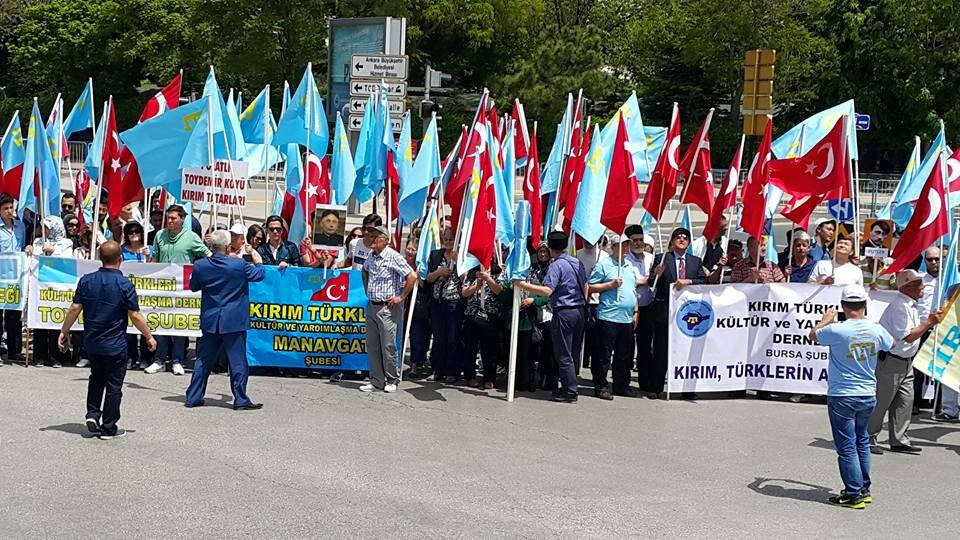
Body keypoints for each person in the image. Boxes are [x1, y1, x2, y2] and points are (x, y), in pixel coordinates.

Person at [57, 241, 157, 440]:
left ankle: (93, 414)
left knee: (96, 378)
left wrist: (64, 330)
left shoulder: (86, 280)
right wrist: (148, 336)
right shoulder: (125, 284)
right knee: (113, 385)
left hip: (92, 343)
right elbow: (135, 315)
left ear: (100, 258)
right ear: (120, 258)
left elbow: (75, 308)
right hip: (115, 344)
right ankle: (108, 427)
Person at [809, 284, 893, 509]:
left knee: (847, 446)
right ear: (865, 304)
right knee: (862, 441)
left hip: (843, 394)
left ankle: (854, 493)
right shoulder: (875, 329)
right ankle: (863, 488)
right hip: (867, 392)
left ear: (843, 306)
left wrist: (825, 319)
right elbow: (891, 344)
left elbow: (813, 335)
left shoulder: (838, 329)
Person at [184, 230, 265, 409]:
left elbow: (193, 286)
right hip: (233, 320)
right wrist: (258, 261)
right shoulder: (239, 265)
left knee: (203, 360)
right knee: (237, 361)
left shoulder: (200, 265)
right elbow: (259, 275)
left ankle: (193, 397)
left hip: (211, 318)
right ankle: (240, 399)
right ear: (228, 247)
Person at [868, 270, 942, 455]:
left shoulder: (910, 305)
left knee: (905, 402)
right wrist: (929, 323)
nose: (922, 286)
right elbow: (908, 336)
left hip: (905, 361)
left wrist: (929, 321)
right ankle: (867, 438)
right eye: (918, 283)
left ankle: (899, 439)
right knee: (881, 403)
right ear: (908, 287)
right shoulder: (900, 307)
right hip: (892, 362)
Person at [515, 231, 588, 403]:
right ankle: (571, 384)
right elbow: (586, 285)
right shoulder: (576, 262)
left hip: (564, 311)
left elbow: (548, 290)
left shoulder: (556, 265)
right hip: (579, 310)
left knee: (563, 352)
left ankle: (570, 390)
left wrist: (523, 284)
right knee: (573, 351)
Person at [146, 204, 210, 376]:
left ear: (182, 219)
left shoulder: (191, 237)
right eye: (168, 218)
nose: (170, 221)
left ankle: (177, 360)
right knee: (161, 322)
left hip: (183, 289)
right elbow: (155, 259)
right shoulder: (160, 235)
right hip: (162, 287)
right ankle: (159, 360)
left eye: (174, 218)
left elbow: (207, 255)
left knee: (179, 324)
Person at [648, 227, 707, 397]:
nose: (682, 239)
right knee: (661, 350)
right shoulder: (662, 258)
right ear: (672, 241)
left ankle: (686, 389)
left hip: (688, 314)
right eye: (678, 237)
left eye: (685, 238)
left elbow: (703, 281)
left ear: (688, 243)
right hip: (665, 312)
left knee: (686, 350)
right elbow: (651, 282)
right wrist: (657, 274)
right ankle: (656, 387)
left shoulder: (695, 261)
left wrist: (688, 281)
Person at [360, 225, 416, 392]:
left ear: (385, 240)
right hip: (372, 305)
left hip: (388, 307)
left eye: (375, 236)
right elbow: (365, 271)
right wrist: (368, 290)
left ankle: (392, 379)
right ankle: (376, 380)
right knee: (373, 345)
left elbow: (412, 276)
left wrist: (401, 297)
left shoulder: (393, 256)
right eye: (370, 235)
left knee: (388, 345)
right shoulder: (371, 255)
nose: (371, 239)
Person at [589, 234, 640, 399]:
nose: (625, 248)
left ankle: (621, 385)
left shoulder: (630, 266)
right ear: (613, 247)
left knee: (623, 355)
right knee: (603, 355)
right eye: (622, 245)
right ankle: (601, 386)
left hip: (626, 318)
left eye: (627, 245)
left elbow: (633, 290)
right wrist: (610, 285)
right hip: (608, 316)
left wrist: (636, 311)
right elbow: (590, 286)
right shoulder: (604, 265)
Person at [31, 216, 75, 368]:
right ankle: (39, 356)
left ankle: (56, 356)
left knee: (55, 322)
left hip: (57, 287)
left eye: (47, 227)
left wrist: (53, 251)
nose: (44, 230)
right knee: (40, 322)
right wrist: (32, 250)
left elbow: (67, 260)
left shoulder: (66, 243)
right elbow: (35, 259)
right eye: (43, 227)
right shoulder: (38, 241)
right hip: (41, 286)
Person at [426, 227, 464, 383]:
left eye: (451, 239)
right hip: (438, 302)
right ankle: (437, 370)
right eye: (445, 239)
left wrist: (459, 262)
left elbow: (465, 279)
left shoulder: (462, 256)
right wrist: (438, 272)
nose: (448, 242)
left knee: (453, 337)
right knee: (438, 338)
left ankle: (452, 371)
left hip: (454, 303)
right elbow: (428, 278)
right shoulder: (436, 255)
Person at [462, 265, 505, 390]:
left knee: (489, 350)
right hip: (472, 315)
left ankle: (489, 378)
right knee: (470, 348)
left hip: (490, 316)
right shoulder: (472, 273)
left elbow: (500, 291)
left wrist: (488, 279)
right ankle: (470, 376)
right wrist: (476, 286)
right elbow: (464, 293)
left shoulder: (499, 272)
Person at [624, 225, 654, 384]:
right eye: (634, 240)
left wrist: (648, 279)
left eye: (641, 240)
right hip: (630, 308)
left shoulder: (650, 258)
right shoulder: (625, 260)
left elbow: (654, 279)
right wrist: (643, 280)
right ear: (629, 242)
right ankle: (623, 381)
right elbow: (630, 281)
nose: (638, 243)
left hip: (647, 306)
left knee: (645, 345)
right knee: (626, 345)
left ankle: (645, 381)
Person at [0, 193, 27, 365]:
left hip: (16, 277)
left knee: (14, 314)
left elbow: (22, 247)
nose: (10, 211)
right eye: (5, 208)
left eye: (11, 207)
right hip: (1, 276)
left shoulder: (20, 226)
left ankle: (14, 350)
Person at [577, 236, 608, 371]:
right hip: (580, 302)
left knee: (597, 339)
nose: (588, 242)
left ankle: (596, 371)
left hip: (598, 302)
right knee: (577, 337)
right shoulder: (577, 255)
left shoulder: (605, 257)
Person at [403, 239, 431, 378]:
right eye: (408, 248)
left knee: (416, 336)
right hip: (401, 305)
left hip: (418, 305)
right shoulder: (400, 263)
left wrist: (419, 275)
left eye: (413, 250)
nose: (410, 252)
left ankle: (415, 365)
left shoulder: (423, 266)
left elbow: (425, 286)